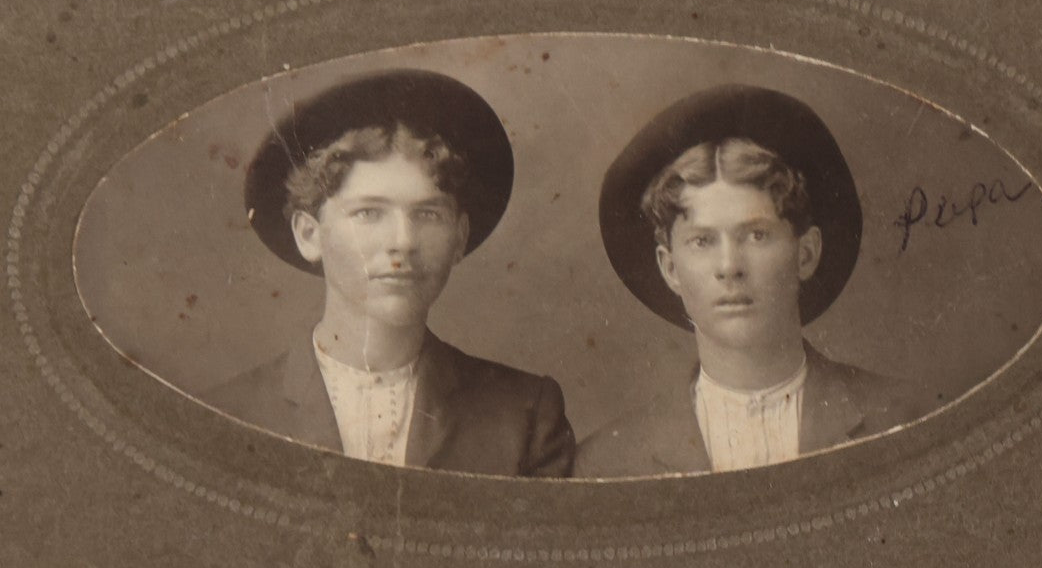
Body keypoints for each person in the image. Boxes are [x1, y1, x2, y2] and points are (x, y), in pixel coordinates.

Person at [206, 69, 576, 478]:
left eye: (428, 214)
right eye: (369, 213)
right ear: (310, 235)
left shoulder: (523, 416)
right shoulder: (224, 415)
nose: (403, 241)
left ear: (459, 237)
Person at [577, 85, 930, 478]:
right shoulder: (610, 462)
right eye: (702, 241)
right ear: (670, 269)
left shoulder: (906, 417)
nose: (730, 266)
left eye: (756, 235)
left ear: (806, 254)